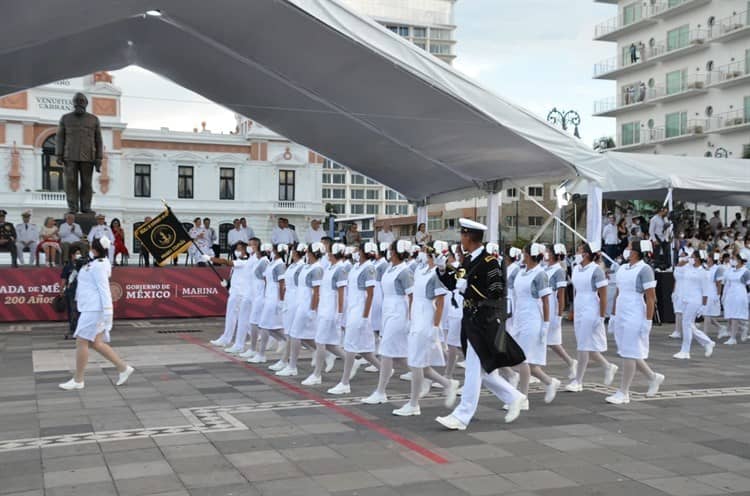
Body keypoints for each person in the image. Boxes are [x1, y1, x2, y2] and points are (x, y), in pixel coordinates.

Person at [435, 219, 526, 430]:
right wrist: (442, 270)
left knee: (473, 370)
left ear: (469, 237)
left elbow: (496, 291)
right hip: (470, 321)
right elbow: (454, 285)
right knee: (484, 371)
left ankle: (462, 415)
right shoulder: (468, 261)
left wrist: (470, 288)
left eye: (463, 236)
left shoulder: (489, 262)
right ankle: (514, 397)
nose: (461, 240)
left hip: (483, 321)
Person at [392, 241, 459, 416]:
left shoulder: (436, 274)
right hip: (417, 317)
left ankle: (413, 404)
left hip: (426, 320)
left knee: (416, 363)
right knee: (420, 364)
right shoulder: (421, 270)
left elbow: (440, 302)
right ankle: (447, 383)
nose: (421, 253)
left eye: (425, 251)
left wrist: (435, 327)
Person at [58, 237, 134, 390]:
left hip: (95, 309)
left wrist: (108, 313)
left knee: (81, 341)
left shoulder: (99, 266)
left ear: (95, 247)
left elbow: (105, 290)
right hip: (89, 307)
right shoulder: (92, 262)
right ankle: (123, 368)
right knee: (96, 343)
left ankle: (78, 380)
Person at [606, 240, 664, 404]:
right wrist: (614, 315)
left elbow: (651, 297)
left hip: (635, 312)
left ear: (636, 252)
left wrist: (648, 321)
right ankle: (653, 377)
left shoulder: (645, 270)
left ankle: (624, 392)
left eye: (629, 248)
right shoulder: (623, 268)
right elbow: (618, 292)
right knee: (627, 350)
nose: (626, 250)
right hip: (622, 311)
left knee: (629, 352)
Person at [361, 240, 414, 404]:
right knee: (398, 355)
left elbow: (411, 296)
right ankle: (433, 378)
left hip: (398, 312)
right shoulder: (391, 269)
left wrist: (410, 319)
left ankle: (380, 391)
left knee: (387, 352)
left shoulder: (405, 271)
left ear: (398, 251)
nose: (389, 253)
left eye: (392, 250)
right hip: (388, 310)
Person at [510, 243, 560, 411]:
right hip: (519, 317)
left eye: (524, 252)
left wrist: (546, 325)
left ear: (531, 254)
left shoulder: (540, 274)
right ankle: (549, 382)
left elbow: (546, 301)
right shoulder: (521, 272)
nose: (522, 255)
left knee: (523, 359)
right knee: (527, 361)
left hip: (532, 319)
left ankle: (523, 398)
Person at [327, 242, 381, 395]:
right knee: (365, 351)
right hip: (353, 310)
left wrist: (365, 317)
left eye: (359, 250)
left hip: (360, 312)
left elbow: (370, 294)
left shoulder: (369, 268)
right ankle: (384, 370)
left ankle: (345, 383)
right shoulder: (357, 266)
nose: (356, 252)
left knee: (350, 346)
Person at [566, 242, 618, 392]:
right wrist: (573, 309)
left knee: (583, 345)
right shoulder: (576, 268)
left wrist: (601, 316)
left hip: (591, 307)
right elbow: (575, 291)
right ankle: (608, 366)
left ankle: (578, 380)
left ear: (587, 254)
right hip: (580, 305)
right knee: (585, 343)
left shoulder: (596, 270)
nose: (576, 253)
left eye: (579, 250)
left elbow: (603, 294)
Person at [302, 243, 349, 386]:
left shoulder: (340, 269)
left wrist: (340, 313)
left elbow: (342, 294)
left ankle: (317, 374)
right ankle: (351, 362)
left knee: (320, 342)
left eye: (329, 252)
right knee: (328, 344)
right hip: (324, 309)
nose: (327, 254)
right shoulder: (330, 267)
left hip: (330, 311)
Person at [279, 242, 325, 377]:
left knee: (295, 335)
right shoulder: (307, 267)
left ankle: (292, 366)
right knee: (299, 335)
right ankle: (322, 352)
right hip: (300, 303)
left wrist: (312, 310)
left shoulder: (317, 269)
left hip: (306, 305)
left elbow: (316, 292)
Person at [208, 240, 253, 348]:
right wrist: (227, 283)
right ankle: (227, 338)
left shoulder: (246, 261)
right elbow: (235, 276)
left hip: (240, 294)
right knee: (235, 317)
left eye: (240, 249)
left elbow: (226, 262)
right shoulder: (238, 261)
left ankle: (227, 339)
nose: (237, 251)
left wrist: (210, 258)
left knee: (235, 317)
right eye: (236, 249)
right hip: (235, 292)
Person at [271, 243, 308, 373]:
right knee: (289, 334)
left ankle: (292, 365)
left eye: (293, 251)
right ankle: (284, 360)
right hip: (289, 300)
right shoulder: (292, 265)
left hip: (296, 301)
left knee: (294, 335)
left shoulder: (302, 267)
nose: (291, 253)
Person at [673, 250, 715, 359]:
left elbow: (706, 291)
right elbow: (678, 267)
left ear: (697, 258)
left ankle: (685, 351)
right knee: (689, 324)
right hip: (685, 299)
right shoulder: (687, 267)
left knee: (686, 323)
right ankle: (707, 342)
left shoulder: (704, 272)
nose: (690, 258)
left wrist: (703, 306)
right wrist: (686, 260)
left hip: (695, 300)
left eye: (692, 256)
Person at [545, 244, 577, 380]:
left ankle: (570, 362)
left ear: (553, 254)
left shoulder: (559, 271)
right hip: (544, 304)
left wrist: (559, 315)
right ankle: (570, 362)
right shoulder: (546, 268)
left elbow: (561, 295)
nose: (545, 254)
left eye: (547, 252)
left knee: (550, 340)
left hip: (552, 305)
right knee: (549, 341)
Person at [252, 244, 288, 364]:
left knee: (265, 326)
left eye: (273, 250)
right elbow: (267, 280)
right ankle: (287, 340)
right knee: (271, 327)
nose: (271, 252)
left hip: (275, 299)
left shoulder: (280, 265)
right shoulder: (272, 263)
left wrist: (281, 301)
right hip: (268, 297)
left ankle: (261, 354)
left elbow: (282, 284)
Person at [721, 249, 750, 345]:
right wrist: (723, 296)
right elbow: (727, 283)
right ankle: (743, 327)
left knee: (735, 315)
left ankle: (733, 337)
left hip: (740, 294)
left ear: (740, 260)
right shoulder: (730, 271)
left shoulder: (745, 272)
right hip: (730, 294)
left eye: (735, 259)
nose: (732, 260)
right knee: (730, 315)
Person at [60, 247, 86, 339]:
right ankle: (73, 329)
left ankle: (80, 330)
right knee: (72, 311)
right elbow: (63, 280)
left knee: (80, 311)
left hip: (82, 292)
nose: (79, 255)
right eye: (77, 253)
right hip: (71, 292)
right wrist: (61, 290)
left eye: (80, 253)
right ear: (72, 255)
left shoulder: (84, 265)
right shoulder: (68, 266)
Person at [704, 252, 727, 339]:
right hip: (705, 293)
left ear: (712, 259)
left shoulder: (718, 269)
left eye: (709, 257)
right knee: (705, 314)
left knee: (707, 314)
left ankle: (704, 334)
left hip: (712, 293)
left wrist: (718, 296)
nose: (707, 259)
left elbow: (719, 284)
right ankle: (721, 327)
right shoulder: (705, 268)